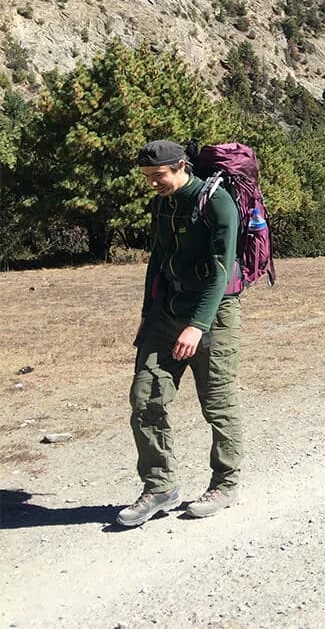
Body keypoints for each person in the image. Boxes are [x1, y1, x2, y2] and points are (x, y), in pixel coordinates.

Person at [115, 139, 244, 526]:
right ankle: (160, 487)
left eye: (159, 176)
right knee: (145, 398)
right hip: (167, 311)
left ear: (182, 166)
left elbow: (222, 271)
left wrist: (198, 326)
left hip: (214, 315)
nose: (153, 183)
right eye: (147, 178)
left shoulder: (217, 202)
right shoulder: (162, 202)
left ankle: (225, 483)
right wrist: (145, 313)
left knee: (217, 402)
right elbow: (156, 260)